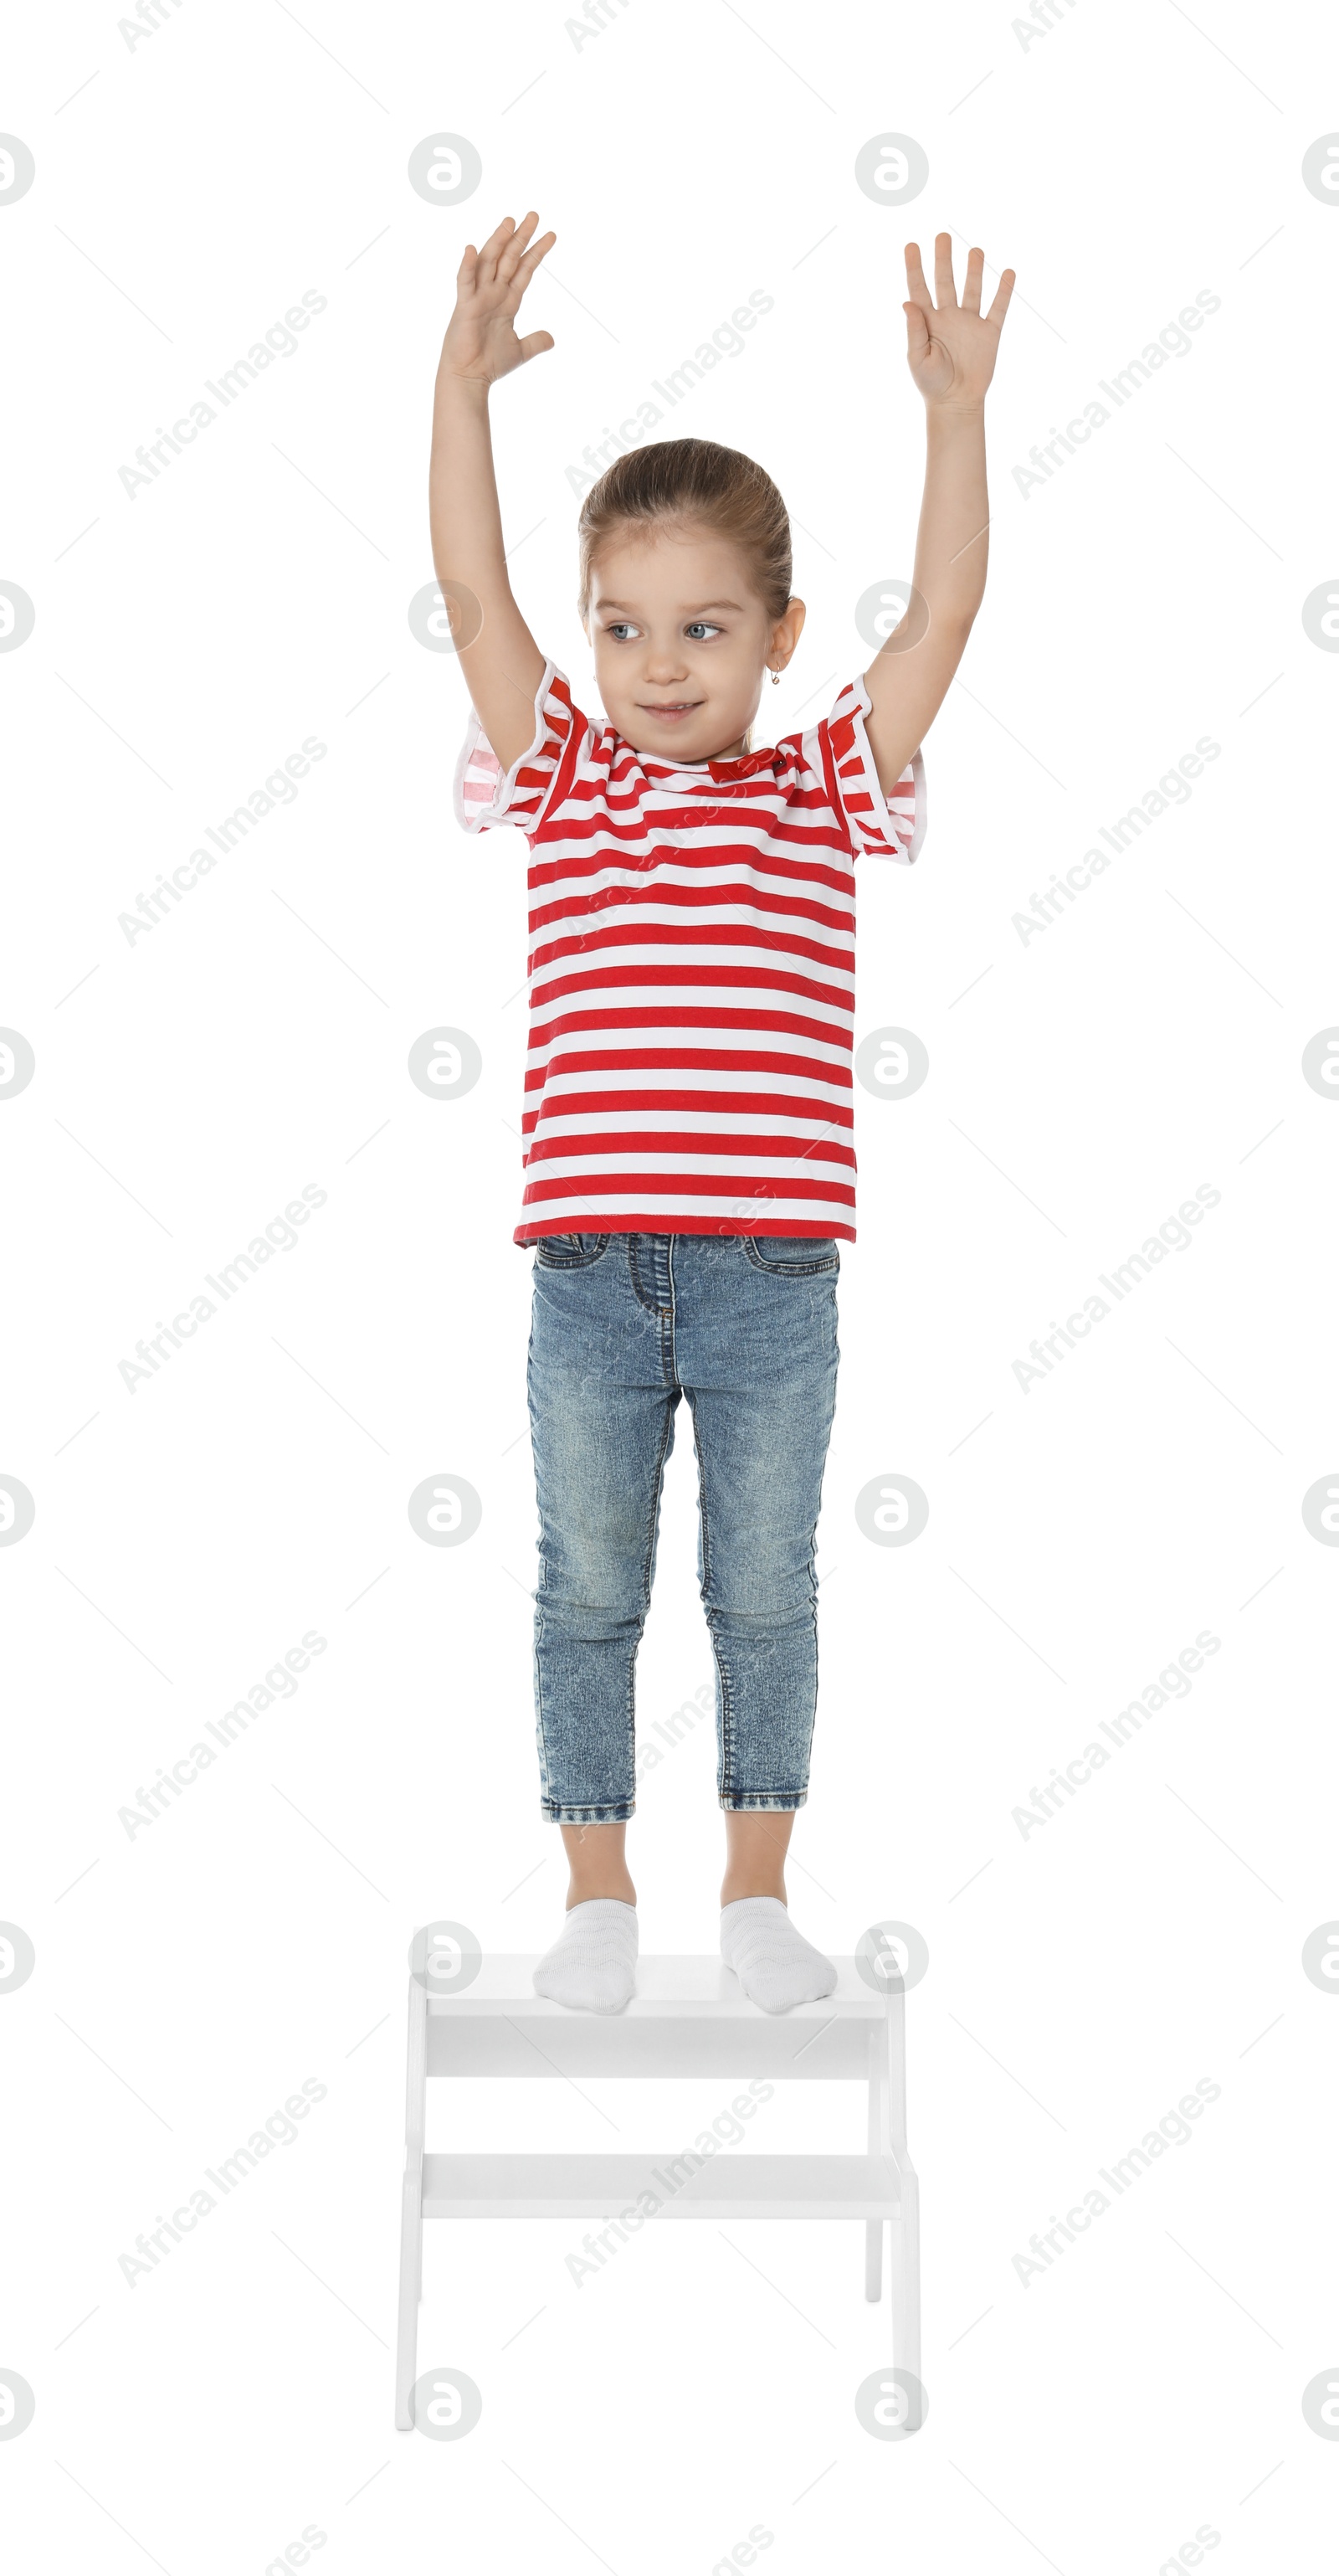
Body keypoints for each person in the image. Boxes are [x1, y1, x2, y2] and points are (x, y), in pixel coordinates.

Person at [430, 213, 1013, 2014]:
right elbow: (469, 595)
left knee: (760, 1589)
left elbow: (944, 615)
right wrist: (457, 392)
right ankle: (594, 1888)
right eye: (620, 626)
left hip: (769, 1271)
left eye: (699, 627)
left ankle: (753, 1884)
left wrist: (951, 420)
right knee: (587, 1581)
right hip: (588, 1271)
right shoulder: (566, 772)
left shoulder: (821, 784)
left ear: (772, 636)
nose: (654, 661)